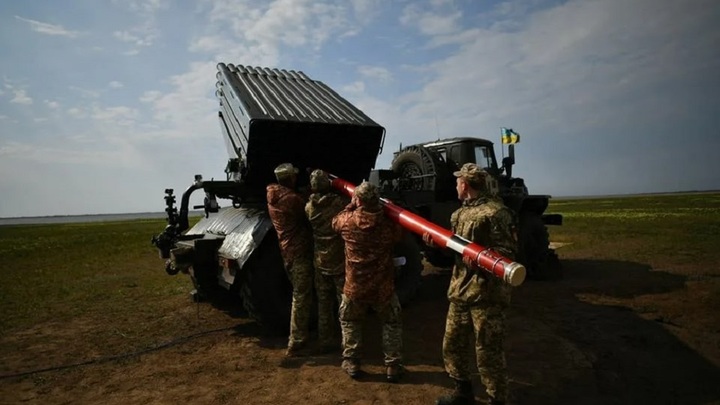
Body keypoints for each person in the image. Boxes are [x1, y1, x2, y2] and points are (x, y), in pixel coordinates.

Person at [428, 163, 518, 405]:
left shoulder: (496, 212)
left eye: (458, 181)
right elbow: (455, 251)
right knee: (452, 345)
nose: (456, 184)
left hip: (486, 294)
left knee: (488, 351)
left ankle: (497, 399)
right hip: (460, 290)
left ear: (465, 184)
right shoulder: (458, 214)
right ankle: (462, 391)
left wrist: (483, 259)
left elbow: (508, 252)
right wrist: (436, 244)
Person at [332, 181, 405, 383]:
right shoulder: (388, 224)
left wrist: (350, 206)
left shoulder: (347, 222)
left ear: (358, 200)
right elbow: (399, 235)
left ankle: (353, 363)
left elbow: (334, 222)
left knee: (350, 322)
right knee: (391, 322)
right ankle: (392, 366)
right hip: (383, 286)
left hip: (355, 285)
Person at [266, 162, 315, 357]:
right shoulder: (292, 200)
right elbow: (309, 212)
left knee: (300, 292)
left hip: (287, 251)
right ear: (290, 179)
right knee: (301, 296)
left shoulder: (272, 193)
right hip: (299, 252)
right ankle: (297, 340)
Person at [305, 169, 349, 353]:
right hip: (338, 261)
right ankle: (347, 340)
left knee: (324, 304)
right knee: (343, 303)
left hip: (320, 261)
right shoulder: (338, 204)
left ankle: (325, 340)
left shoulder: (309, 208)